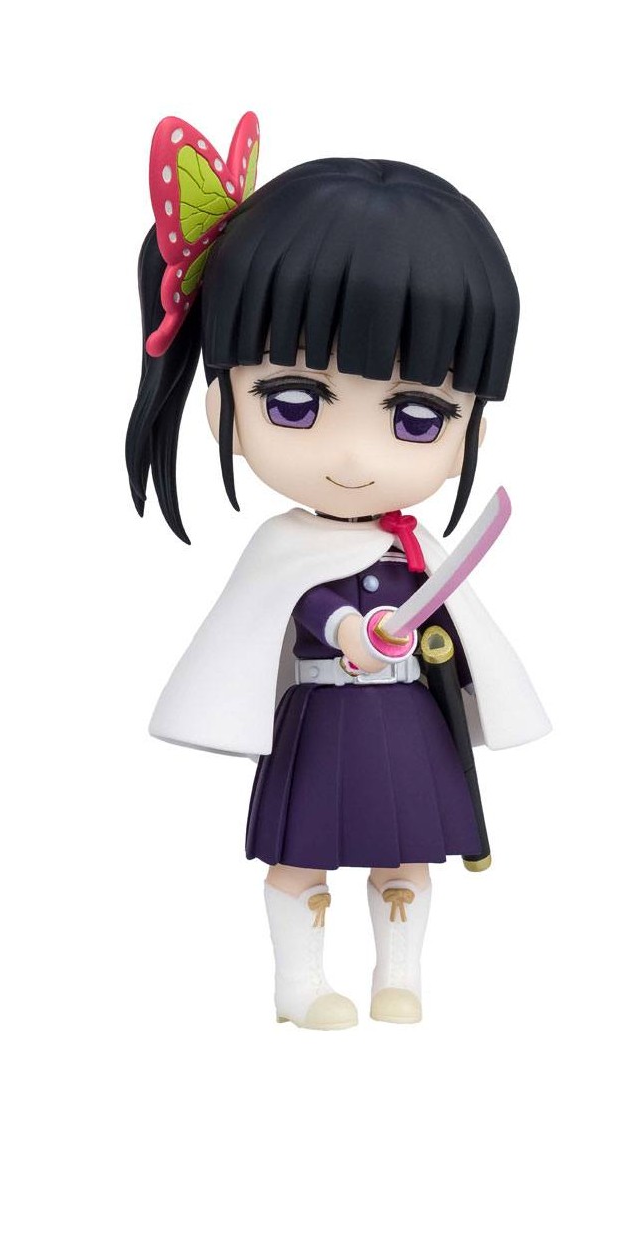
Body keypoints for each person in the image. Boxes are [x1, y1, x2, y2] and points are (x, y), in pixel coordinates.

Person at [126, 112, 550, 1029]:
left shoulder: (420, 549)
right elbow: (304, 609)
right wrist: (349, 628)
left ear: (471, 431)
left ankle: (401, 976)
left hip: (407, 721)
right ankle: (300, 984)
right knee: (301, 856)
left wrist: (437, 651)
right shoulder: (284, 551)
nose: (355, 456)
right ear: (224, 409)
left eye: (416, 418)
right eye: (293, 401)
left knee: (409, 860)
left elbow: (459, 638)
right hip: (321, 718)